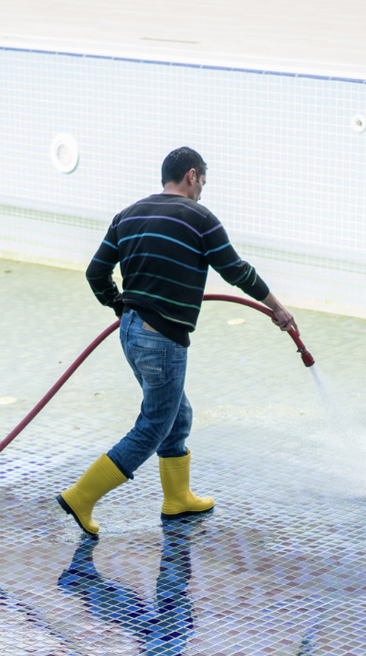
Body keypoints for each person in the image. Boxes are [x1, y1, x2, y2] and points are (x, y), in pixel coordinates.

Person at [56, 146, 297, 537]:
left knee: (175, 413)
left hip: (131, 332)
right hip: (162, 338)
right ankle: (82, 496)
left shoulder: (129, 214)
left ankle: (177, 498)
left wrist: (120, 305)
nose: (203, 189)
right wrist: (277, 308)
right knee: (153, 425)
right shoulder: (199, 218)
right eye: (203, 180)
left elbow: (95, 272)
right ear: (191, 176)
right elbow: (236, 270)